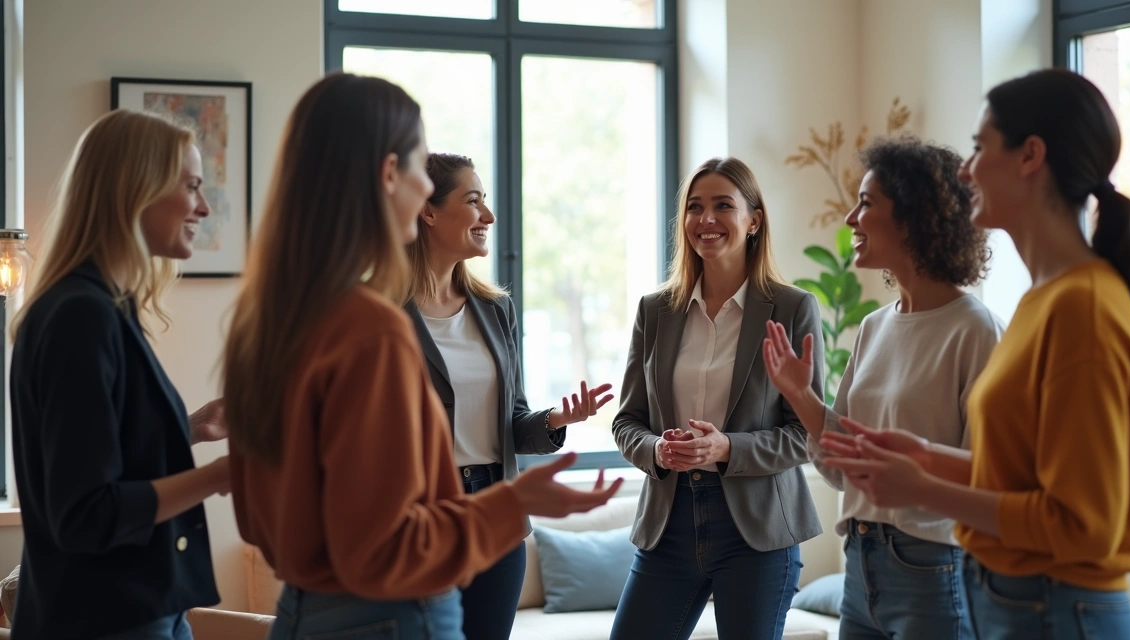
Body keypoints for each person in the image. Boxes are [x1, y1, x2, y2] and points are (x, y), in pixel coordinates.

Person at [223, 72, 622, 640]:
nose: (422, 184)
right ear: (391, 175)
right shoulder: (373, 327)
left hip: (305, 614)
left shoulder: (267, 319)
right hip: (393, 616)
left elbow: (260, 520)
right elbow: (385, 551)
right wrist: (512, 503)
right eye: (417, 165)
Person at [820, 68, 1130, 640]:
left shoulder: (1082, 306)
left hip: (1058, 613)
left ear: (1029, 156)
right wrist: (925, 456)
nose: (965, 172)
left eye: (978, 148)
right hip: (1019, 606)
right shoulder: (1043, 302)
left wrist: (923, 488)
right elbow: (1025, 480)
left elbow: (1083, 526)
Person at [763, 136, 1002, 640]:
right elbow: (841, 469)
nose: (851, 218)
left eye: (867, 203)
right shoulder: (874, 326)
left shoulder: (975, 330)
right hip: (860, 561)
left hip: (933, 567)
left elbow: (989, 476)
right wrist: (801, 396)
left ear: (915, 218)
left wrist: (914, 475)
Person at [8, 109, 230, 639]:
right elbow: (86, 511)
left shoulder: (105, 307)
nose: (203, 206)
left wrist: (192, 427)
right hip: (105, 619)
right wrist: (222, 476)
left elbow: (105, 452)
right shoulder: (80, 315)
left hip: (142, 606)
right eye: (193, 186)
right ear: (137, 189)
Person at [610, 157, 825, 640]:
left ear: (754, 219)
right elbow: (628, 421)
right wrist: (657, 450)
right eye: (694, 207)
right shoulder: (655, 311)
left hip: (758, 531)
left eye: (723, 206)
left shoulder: (792, 308)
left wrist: (726, 448)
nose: (705, 220)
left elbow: (807, 432)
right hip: (668, 524)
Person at [403, 152, 614, 640]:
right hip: (425, 516)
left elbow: (514, 423)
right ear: (428, 211)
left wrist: (557, 418)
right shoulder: (384, 312)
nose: (489, 217)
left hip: (499, 516)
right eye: (473, 201)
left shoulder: (496, 310)